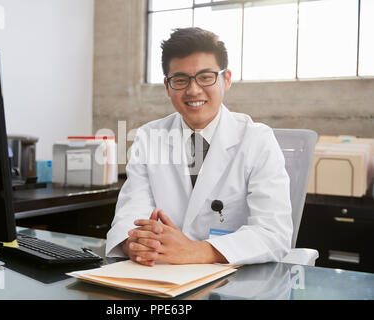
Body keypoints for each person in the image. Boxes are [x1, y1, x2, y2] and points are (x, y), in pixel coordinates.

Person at [105, 27, 293, 266]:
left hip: (235, 282)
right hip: (162, 274)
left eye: (206, 77)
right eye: (180, 80)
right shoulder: (149, 137)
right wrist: (134, 243)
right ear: (167, 86)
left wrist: (198, 251)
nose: (193, 90)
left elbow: (273, 233)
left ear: (226, 79)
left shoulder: (257, 139)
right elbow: (131, 214)